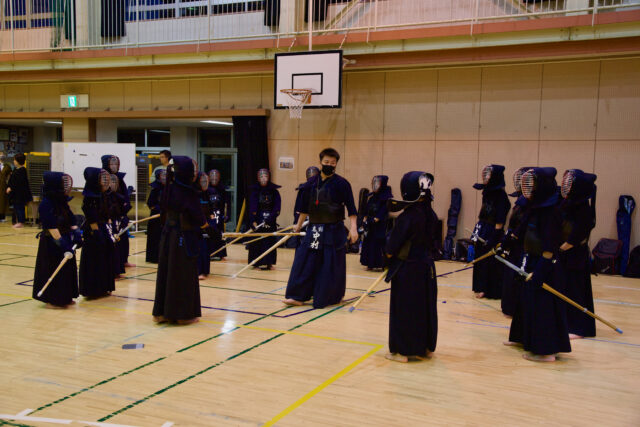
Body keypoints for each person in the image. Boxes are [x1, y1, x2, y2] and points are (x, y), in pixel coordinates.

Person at [505, 167, 571, 362]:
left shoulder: (551, 212)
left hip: (545, 264)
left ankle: (547, 351)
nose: (528, 189)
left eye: (532, 185)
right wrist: (505, 244)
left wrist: (541, 270)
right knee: (527, 302)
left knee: (544, 306)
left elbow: (550, 246)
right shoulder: (535, 208)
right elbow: (520, 230)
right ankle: (523, 338)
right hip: (531, 260)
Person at [283, 148, 358, 308]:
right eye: (326, 162)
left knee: (331, 263)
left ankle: (330, 296)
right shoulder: (310, 184)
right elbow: (303, 208)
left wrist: (353, 228)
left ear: (336, 164)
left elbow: (352, 209)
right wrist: (297, 225)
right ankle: (297, 295)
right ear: (320, 162)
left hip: (334, 229)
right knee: (305, 260)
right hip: (315, 229)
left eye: (333, 163)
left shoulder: (342, 184)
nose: (329, 165)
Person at [385, 171, 438, 362]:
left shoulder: (407, 217)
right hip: (426, 268)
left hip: (407, 270)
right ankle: (425, 347)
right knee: (424, 308)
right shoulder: (431, 214)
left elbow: (391, 248)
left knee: (405, 309)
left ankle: (404, 352)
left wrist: (389, 257)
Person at [153, 156, 207, 325]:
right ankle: (183, 315)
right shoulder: (187, 192)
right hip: (183, 238)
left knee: (167, 273)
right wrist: (209, 228)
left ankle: (162, 313)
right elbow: (198, 217)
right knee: (182, 275)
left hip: (168, 236)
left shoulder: (169, 188)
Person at [32, 172, 81, 308]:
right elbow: (52, 228)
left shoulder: (62, 202)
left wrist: (76, 233)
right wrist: (64, 245)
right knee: (54, 269)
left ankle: (65, 296)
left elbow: (71, 219)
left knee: (67, 270)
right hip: (52, 242)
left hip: (65, 238)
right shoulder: (46, 204)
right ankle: (52, 299)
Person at [559, 169, 597, 339]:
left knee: (576, 291)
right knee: (565, 289)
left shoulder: (584, 210)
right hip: (564, 255)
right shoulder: (567, 205)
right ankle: (566, 323)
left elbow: (576, 237)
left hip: (575, 256)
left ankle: (579, 328)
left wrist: (560, 249)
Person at [471, 164, 511, 299]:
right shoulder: (487, 192)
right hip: (482, 227)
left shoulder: (501, 197)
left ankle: (487, 289)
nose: (486, 177)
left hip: (493, 230)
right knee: (479, 259)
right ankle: (479, 286)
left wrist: (494, 238)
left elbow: (500, 221)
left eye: (489, 175)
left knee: (489, 261)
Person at [500, 167, 534, 317]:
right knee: (509, 277)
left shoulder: (531, 206)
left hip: (523, 247)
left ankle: (517, 310)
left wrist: (513, 237)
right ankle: (510, 307)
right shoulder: (520, 203)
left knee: (518, 278)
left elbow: (522, 226)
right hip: (514, 246)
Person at [79, 167, 116, 298]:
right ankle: (92, 290)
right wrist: (97, 232)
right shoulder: (89, 198)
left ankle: (104, 287)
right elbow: (91, 216)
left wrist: (110, 231)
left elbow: (107, 215)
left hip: (104, 229)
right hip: (93, 232)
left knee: (105, 258)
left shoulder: (104, 196)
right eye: (102, 179)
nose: (105, 181)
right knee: (94, 260)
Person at [102, 155, 134, 273]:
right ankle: (116, 265)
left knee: (124, 238)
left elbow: (124, 195)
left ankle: (124, 260)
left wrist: (124, 210)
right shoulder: (103, 178)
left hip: (121, 213)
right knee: (115, 239)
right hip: (111, 215)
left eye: (116, 164)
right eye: (112, 164)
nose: (114, 166)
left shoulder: (119, 179)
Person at [246, 168, 281, 270]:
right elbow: (252, 207)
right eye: (261, 176)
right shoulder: (255, 192)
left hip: (270, 219)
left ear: (269, 177)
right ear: (258, 178)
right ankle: (256, 263)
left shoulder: (274, 192)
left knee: (269, 241)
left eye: (265, 176)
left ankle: (269, 263)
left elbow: (277, 207)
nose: (263, 178)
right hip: (258, 219)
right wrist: (253, 220)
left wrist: (271, 217)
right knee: (257, 241)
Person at [360, 175, 393, 271]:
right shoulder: (371, 198)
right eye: (373, 183)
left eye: (377, 183)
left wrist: (369, 221)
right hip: (370, 226)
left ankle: (380, 264)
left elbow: (378, 217)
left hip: (379, 226)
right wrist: (364, 222)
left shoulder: (386, 200)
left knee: (377, 244)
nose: (375, 186)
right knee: (368, 242)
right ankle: (369, 264)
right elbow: (365, 212)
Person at [288, 166, 319, 248]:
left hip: (316, 224)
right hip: (303, 222)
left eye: (314, 174)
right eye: (310, 174)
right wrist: (297, 223)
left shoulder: (322, 190)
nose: (312, 176)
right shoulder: (303, 189)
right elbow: (298, 208)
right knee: (301, 245)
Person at [207, 169, 230, 260]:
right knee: (209, 233)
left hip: (219, 215)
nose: (214, 178)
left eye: (216, 177)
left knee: (220, 234)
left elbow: (227, 203)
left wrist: (227, 214)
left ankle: (220, 253)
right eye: (212, 177)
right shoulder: (206, 189)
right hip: (210, 215)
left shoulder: (222, 189)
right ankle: (210, 253)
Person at [6, 153, 33, 228]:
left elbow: (18, 182)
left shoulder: (22, 171)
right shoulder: (16, 170)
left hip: (20, 194)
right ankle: (18, 221)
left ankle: (21, 222)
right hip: (16, 194)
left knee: (20, 208)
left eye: (15, 160)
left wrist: (11, 188)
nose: (14, 161)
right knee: (16, 208)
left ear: (18, 161)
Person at [145, 168, 166, 264]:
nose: (165, 177)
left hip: (165, 216)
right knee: (155, 237)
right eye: (163, 176)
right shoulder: (155, 188)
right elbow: (150, 204)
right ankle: (154, 257)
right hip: (156, 217)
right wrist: (160, 209)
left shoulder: (168, 188)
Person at [196, 171, 212, 279]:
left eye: (205, 181)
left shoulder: (207, 194)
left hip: (205, 225)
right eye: (202, 181)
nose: (204, 183)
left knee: (205, 248)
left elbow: (210, 209)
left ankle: (204, 271)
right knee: (198, 248)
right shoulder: (194, 193)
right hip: (196, 225)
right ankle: (198, 271)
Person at [0, 154, 12, 222]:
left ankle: (2, 216)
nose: (1, 157)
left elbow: (10, 176)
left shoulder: (7, 166)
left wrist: (8, 184)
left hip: (3, 186)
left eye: (2, 155)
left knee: (3, 201)